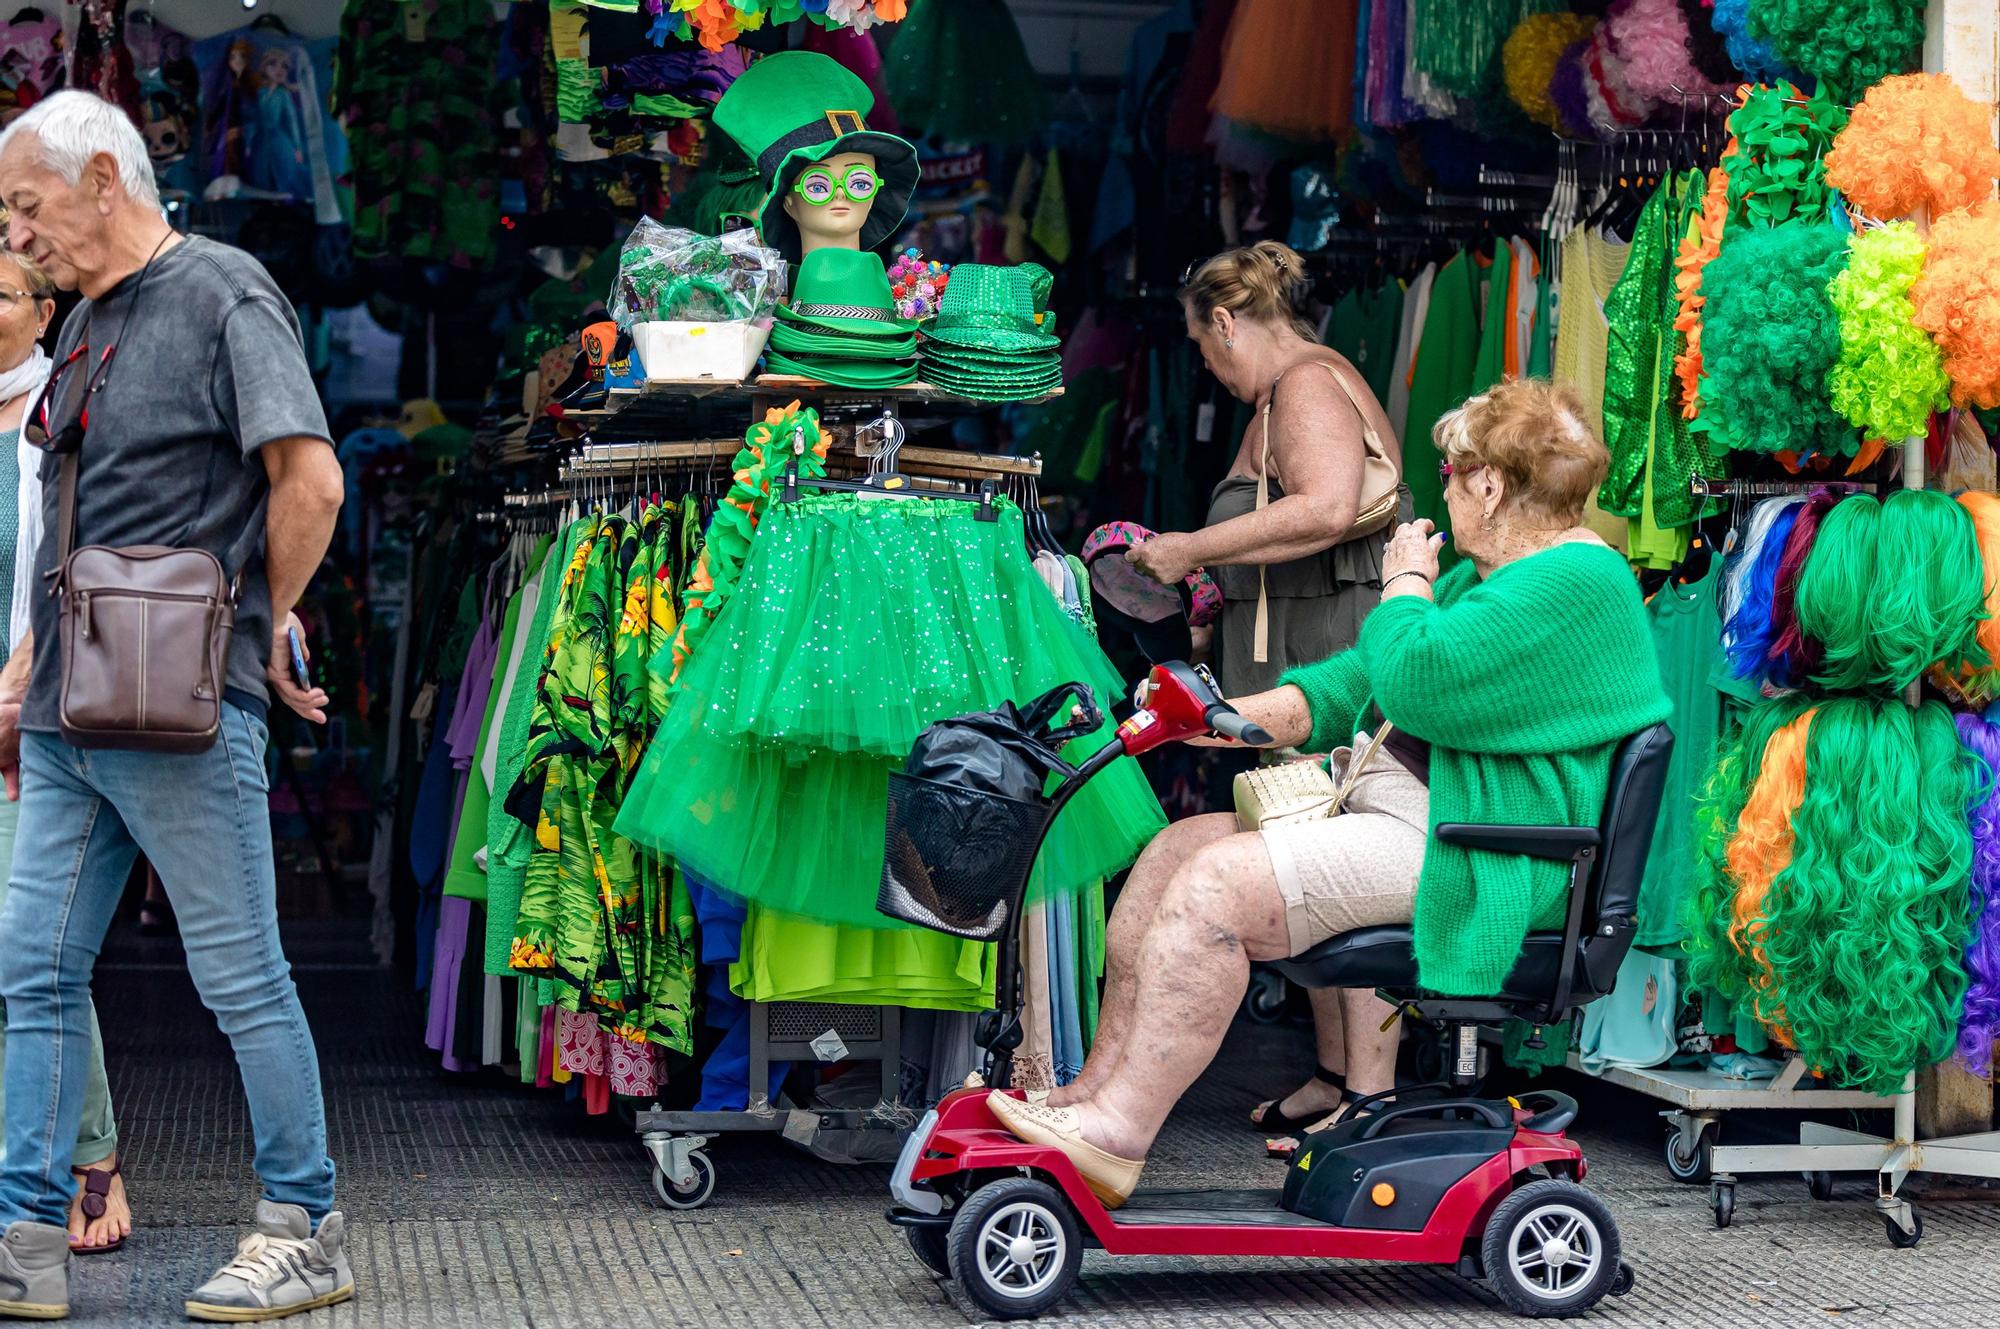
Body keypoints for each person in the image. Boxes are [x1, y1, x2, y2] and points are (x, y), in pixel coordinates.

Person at [989, 379, 1673, 1208]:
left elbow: (1414, 673)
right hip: (1422, 815)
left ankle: (1120, 1131)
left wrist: (1406, 581)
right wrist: (1219, 717)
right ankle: (1091, 1096)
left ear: (1490, 484)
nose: (1446, 488)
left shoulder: (1573, 586)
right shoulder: (1506, 577)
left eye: (1453, 471)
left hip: (1484, 848)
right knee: (1172, 850)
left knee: (1218, 886)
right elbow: (1358, 682)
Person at [0, 91, 350, 1322]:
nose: (17, 234)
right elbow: (76, 529)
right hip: (64, 714)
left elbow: (309, 482)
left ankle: (304, 1225)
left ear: (104, 178)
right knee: (29, 973)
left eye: (26, 205)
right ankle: (23, 1242)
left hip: (181, 708)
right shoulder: (87, 321)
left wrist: (252, 633)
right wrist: (24, 669)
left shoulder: (223, 290)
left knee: (241, 975)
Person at [1125, 240, 1410, 1137]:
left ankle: (1370, 1092)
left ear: (1225, 321)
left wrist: (1188, 550)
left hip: (1333, 657)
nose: (1205, 367)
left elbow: (1326, 506)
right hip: (1301, 650)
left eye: (1204, 347)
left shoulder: (1306, 385)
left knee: (1338, 867)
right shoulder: (1287, 392)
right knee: (1304, 867)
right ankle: (1333, 1074)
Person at [0, 243, 131, 1255]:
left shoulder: (64, 410)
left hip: (25, 717)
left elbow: (78, 563)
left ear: (45, 312)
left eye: (0, 293)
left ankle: (91, 1164)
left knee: (33, 956)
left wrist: (18, 689)